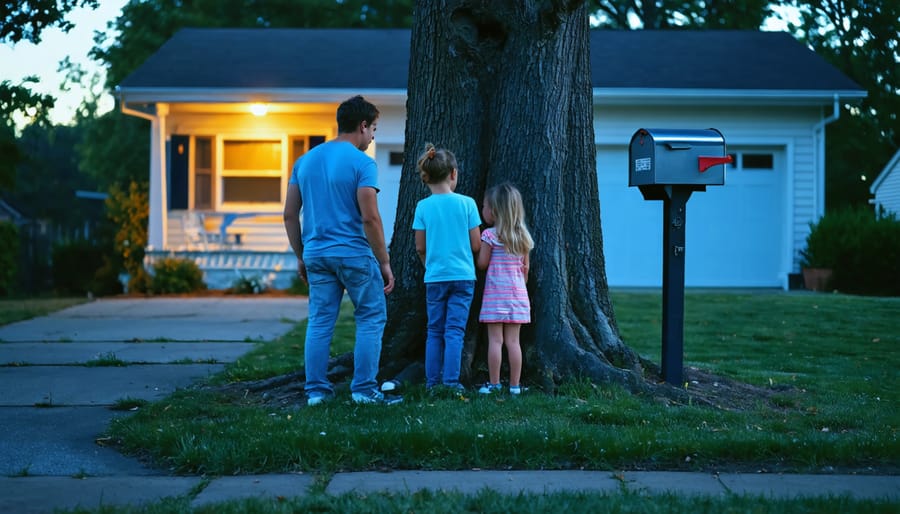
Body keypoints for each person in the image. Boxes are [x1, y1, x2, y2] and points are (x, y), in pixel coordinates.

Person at [283, 95, 401, 406]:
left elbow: (289, 214)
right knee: (371, 316)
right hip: (353, 254)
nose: (373, 136)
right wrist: (384, 262)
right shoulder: (363, 163)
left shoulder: (304, 161)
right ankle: (363, 390)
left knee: (320, 321)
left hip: (316, 254)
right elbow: (370, 217)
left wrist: (300, 254)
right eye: (374, 129)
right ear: (363, 126)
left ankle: (317, 393)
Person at [413, 143, 482, 393]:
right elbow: (476, 244)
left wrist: (428, 266)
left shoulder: (422, 207)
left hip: (435, 277)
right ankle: (451, 383)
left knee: (434, 330)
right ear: (453, 173)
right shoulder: (468, 204)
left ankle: (432, 383)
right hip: (463, 277)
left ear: (427, 176)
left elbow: (420, 247)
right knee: (455, 331)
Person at [476, 182, 534, 395]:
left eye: (485, 206)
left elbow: (482, 264)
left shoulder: (490, 236)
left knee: (495, 341)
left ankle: (494, 383)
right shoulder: (523, 238)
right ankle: (515, 386)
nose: (483, 210)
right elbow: (525, 269)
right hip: (518, 295)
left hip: (494, 296)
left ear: (495, 211)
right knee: (513, 342)